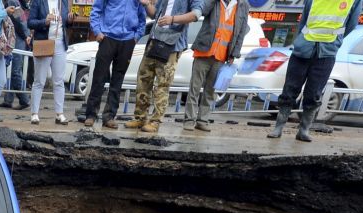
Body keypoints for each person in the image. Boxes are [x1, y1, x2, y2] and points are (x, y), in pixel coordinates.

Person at [268, 0, 360, 141]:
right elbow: (304, 20)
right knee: (290, 90)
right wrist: (299, 41)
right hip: (303, 48)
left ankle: (304, 130)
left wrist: (335, 40)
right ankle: (278, 128)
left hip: (327, 52)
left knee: (314, 93)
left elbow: (351, 25)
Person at [124, 0, 201, 133]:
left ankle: (155, 121)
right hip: (154, 40)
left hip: (172, 44)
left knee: (162, 85)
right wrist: (147, 4)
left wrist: (172, 19)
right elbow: (155, 14)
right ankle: (140, 117)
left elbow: (195, 15)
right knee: (143, 80)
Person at [183, 0, 249, 132]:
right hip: (203, 51)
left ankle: (202, 121)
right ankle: (189, 120)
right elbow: (203, 10)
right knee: (194, 89)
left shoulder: (243, 5)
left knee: (210, 92)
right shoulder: (215, 2)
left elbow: (241, 31)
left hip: (221, 56)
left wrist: (234, 53)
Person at [82, 0, 149, 129]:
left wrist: (136, 36)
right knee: (99, 78)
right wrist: (97, 31)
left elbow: (142, 17)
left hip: (128, 41)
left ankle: (109, 116)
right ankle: (91, 115)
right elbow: (96, 11)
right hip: (107, 38)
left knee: (117, 82)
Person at [27, 0, 72, 125]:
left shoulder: (63, 2)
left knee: (59, 81)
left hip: (60, 44)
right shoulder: (39, 1)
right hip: (44, 43)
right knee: (39, 81)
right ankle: (34, 113)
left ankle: (59, 113)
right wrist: (44, 22)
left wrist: (69, 20)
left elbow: (65, 24)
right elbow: (30, 22)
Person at [1, 0, 31, 110]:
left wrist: (26, 35)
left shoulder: (12, 1)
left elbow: (19, 19)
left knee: (14, 71)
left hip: (17, 39)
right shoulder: (16, 1)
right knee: (13, 70)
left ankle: (24, 100)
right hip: (18, 38)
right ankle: (8, 100)